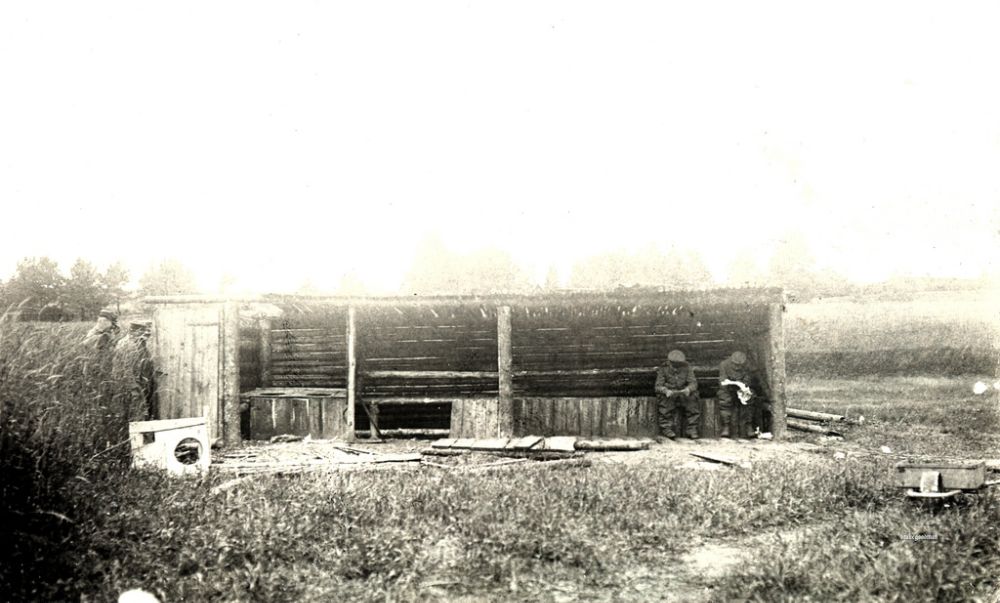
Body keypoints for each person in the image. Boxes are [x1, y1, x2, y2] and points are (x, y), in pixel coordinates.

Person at [113, 320, 158, 422]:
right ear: (136, 332)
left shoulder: (132, 342)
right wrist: (134, 388)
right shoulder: (129, 345)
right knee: (135, 414)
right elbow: (126, 369)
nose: (146, 336)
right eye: (143, 333)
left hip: (136, 384)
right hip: (131, 387)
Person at [655, 349, 700, 439]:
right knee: (664, 403)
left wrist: (688, 389)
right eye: (675, 364)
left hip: (683, 392)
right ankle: (666, 429)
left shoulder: (687, 367)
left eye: (679, 364)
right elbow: (658, 386)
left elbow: (693, 383)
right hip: (670, 393)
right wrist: (665, 390)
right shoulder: (663, 368)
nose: (677, 367)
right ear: (670, 362)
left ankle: (692, 429)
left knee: (693, 398)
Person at [716, 351, 763, 438]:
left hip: (741, 389)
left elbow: (748, 380)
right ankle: (726, 426)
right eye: (735, 365)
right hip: (728, 389)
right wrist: (730, 385)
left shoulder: (747, 365)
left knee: (750, 396)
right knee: (724, 398)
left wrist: (743, 388)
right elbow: (722, 380)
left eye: (739, 365)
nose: (738, 367)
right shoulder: (724, 365)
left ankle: (749, 426)